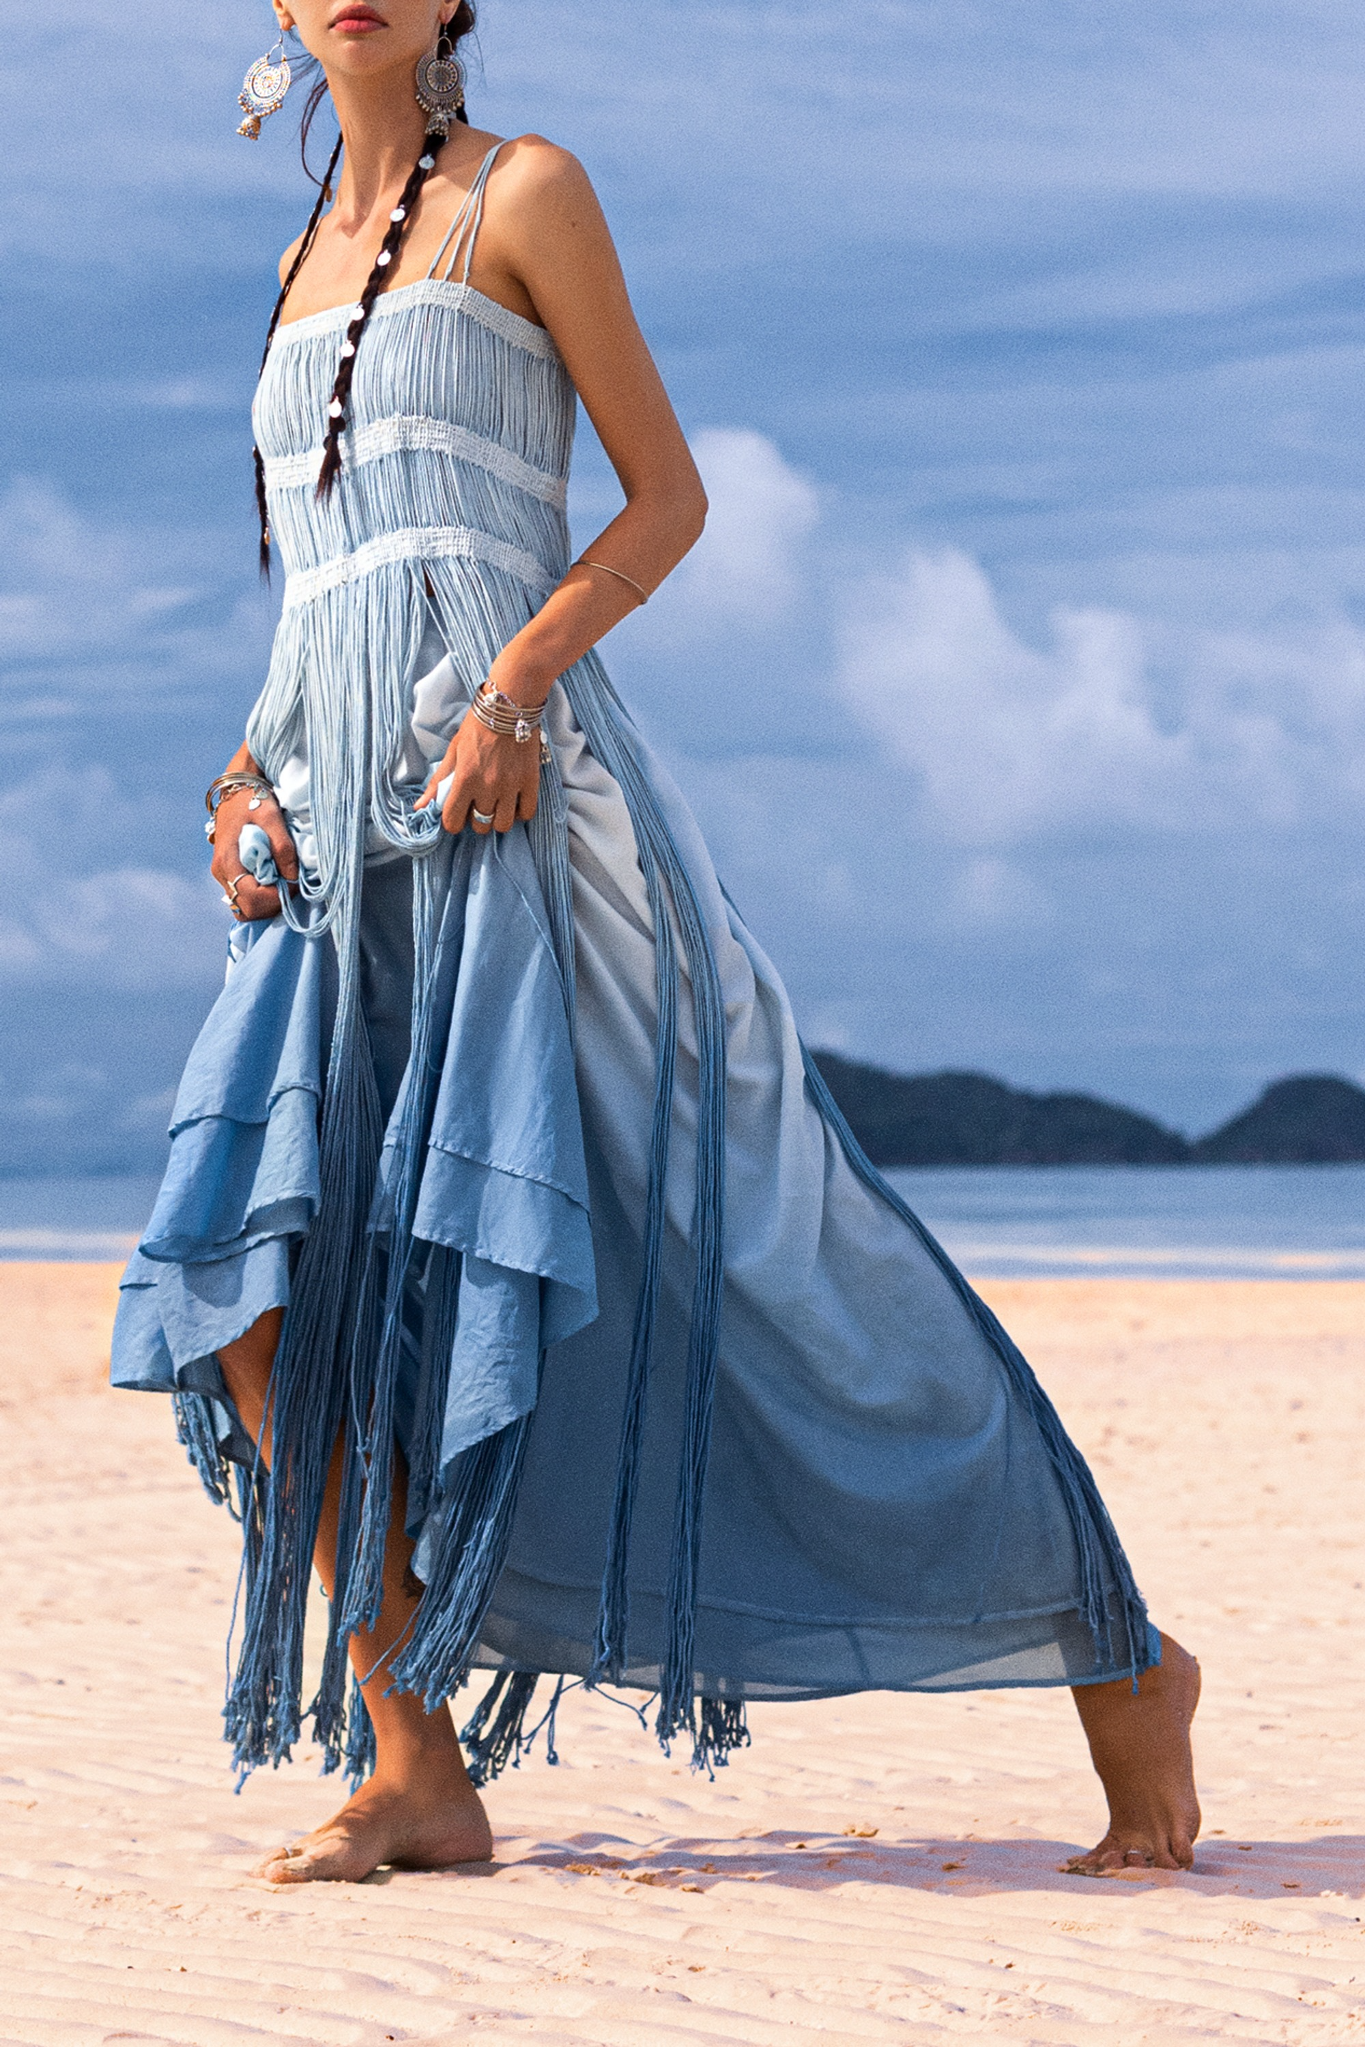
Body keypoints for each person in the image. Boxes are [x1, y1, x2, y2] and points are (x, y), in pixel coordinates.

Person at [112, 0, 1201, 1887]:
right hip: (329, 844)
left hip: (515, 800)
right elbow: (321, 591)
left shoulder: (527, 190)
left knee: (762, 1255)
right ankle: (413, 1754)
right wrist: (233, 781)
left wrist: (520, 688)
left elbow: (666, 497)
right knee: (251, 1280)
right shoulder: (295, 266)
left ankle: (1117, 1651)